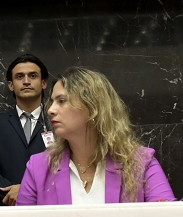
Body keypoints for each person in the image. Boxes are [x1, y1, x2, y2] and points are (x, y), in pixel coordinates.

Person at [17, 67, 174, 205]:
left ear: (93, 108)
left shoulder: (140, 163)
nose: (51, 110)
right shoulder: (38, 168)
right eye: (52, 102)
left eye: (62, 101)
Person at [0, 53, 50, 206]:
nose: (26, 81)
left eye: (32, 76)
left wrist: (26, 192)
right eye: (19, 77)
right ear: (11, 85)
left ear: (43, 83)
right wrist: (15, 193)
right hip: (6, 209)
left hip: (50, 207)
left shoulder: (57, 123)